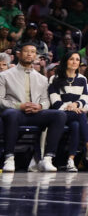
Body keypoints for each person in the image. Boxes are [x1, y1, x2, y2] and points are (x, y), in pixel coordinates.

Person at [0, 43, 66, 172]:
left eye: (33, 52)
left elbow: (46, 100)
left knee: (60, 115)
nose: (30, 54)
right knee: (11, 114)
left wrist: (40, 106)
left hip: (35, 113)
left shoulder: (42, 78)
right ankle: (9, 157)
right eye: (26, 51)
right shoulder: (4, 76)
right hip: (16, 112)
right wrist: (20, 106)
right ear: (19, 54)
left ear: (36, 55)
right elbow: (0, 100)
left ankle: (47, 158)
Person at [47, 50, 88, 170]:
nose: (74, 62)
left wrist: (76, 104)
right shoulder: (54, 78)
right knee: (80, 115)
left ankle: (70, 161)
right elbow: (55, 102)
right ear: (65, 61)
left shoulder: (82, 79)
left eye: (77, 59)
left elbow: (85, 100)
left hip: (75, 114)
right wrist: (70, 107)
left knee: (76, 124)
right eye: (71, 59)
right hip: (60, 115)